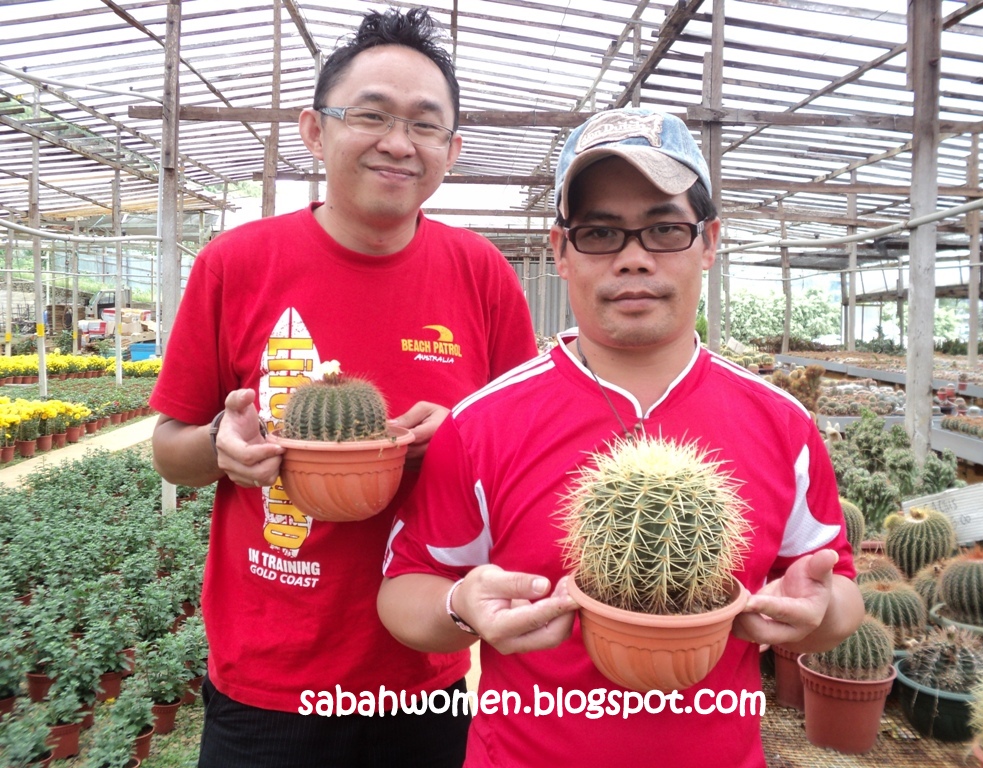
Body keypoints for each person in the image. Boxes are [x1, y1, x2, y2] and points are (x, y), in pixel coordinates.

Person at [378, 107, 864, 768]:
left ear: (709, 241)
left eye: (664, 228)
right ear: (560, 251)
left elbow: (839, 595)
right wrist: (459, 606)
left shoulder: (782, 423)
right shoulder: (483, 422)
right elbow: (405, 591)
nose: (634, 259)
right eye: (601, 232)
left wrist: (820, 610)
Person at [149, 8, 538, 768]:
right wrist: (222, 450)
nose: (399, 143)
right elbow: (170, 452)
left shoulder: (482, 275)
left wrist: (456, 440)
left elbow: (521, 456)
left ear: (452, 151)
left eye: (426, 126)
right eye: (371, 115)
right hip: (271, 677)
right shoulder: (236, 264)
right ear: (314, 130)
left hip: (425, 668)